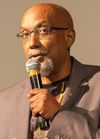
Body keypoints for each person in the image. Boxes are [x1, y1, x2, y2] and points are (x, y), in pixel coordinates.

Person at [0, 2, 100, 139]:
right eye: (25, 34)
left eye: (43, 30)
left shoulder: (97, 84)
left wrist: (59, 115)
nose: (32, 43)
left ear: (69, 37)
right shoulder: (5, 101)